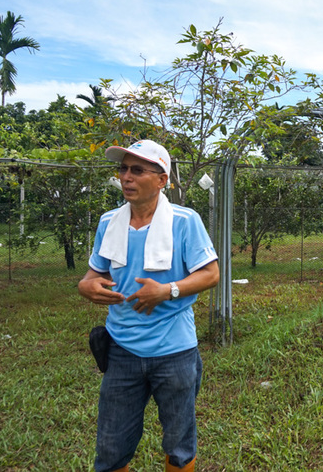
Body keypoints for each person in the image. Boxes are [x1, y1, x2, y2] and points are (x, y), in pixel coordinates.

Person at [78, 139, 219, 472]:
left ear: (161, 179)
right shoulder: (108, 223)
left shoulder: (185, 222)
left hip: (175, 351)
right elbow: (93, 274)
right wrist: (86, 286)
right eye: (123, 169)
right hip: (122, 349)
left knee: (179, 443)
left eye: (137, 170)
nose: (126, 177)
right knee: (111, 446)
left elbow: (211, 274)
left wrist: (167, 290)